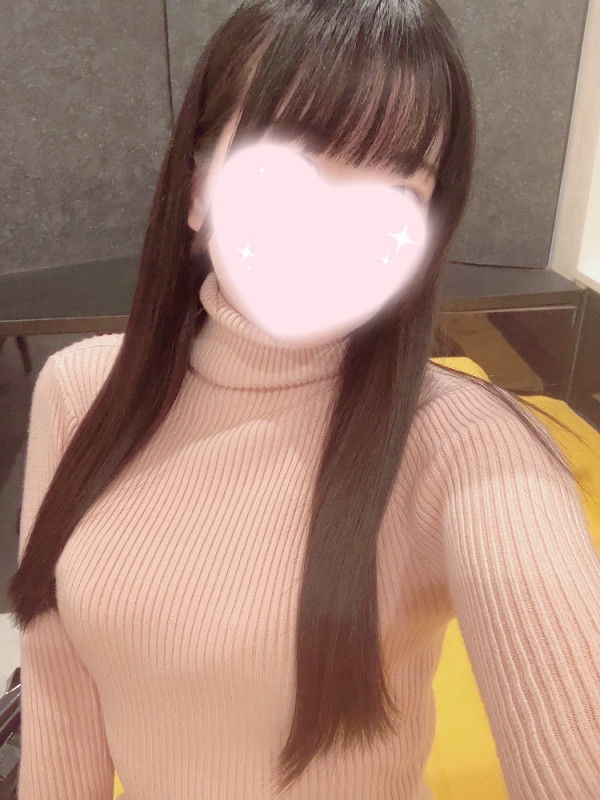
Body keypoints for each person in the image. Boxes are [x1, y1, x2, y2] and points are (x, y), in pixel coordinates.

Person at [9, 1, 600, 798]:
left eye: (397, 185)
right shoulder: (80, 390)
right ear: (197, 189)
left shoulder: (466, 445)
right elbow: (57, 702)